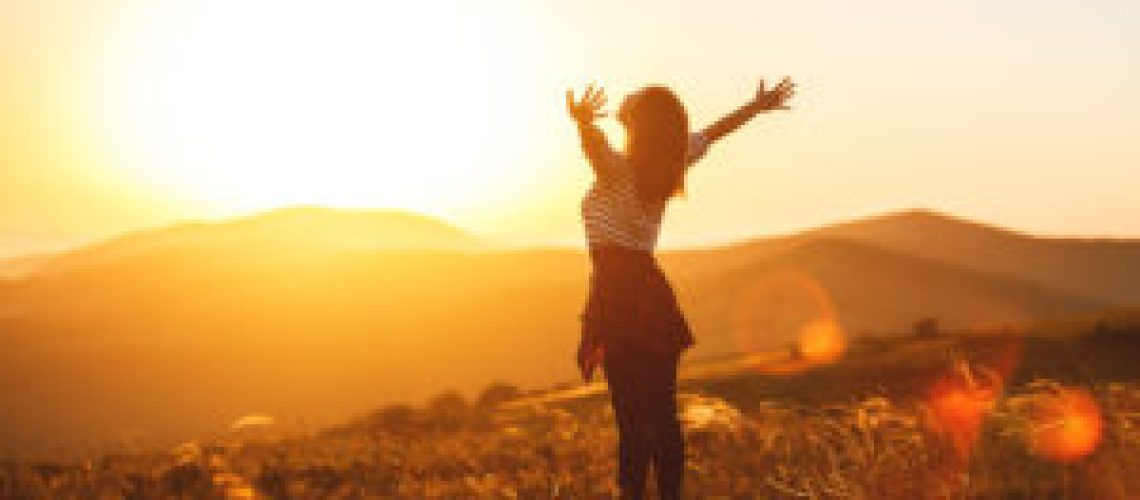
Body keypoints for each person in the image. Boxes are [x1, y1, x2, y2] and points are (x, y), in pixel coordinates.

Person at [566, 77, 795, 499]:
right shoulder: (672, 161)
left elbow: (595, 149)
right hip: (653, 300)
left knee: (632, 423)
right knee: (662, 416)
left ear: (638, 121)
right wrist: (754, 107)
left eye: (635, 97)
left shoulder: (617, 172)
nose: (628, 95)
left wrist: (582, 123)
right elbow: (715, 132)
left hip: (617, 302)